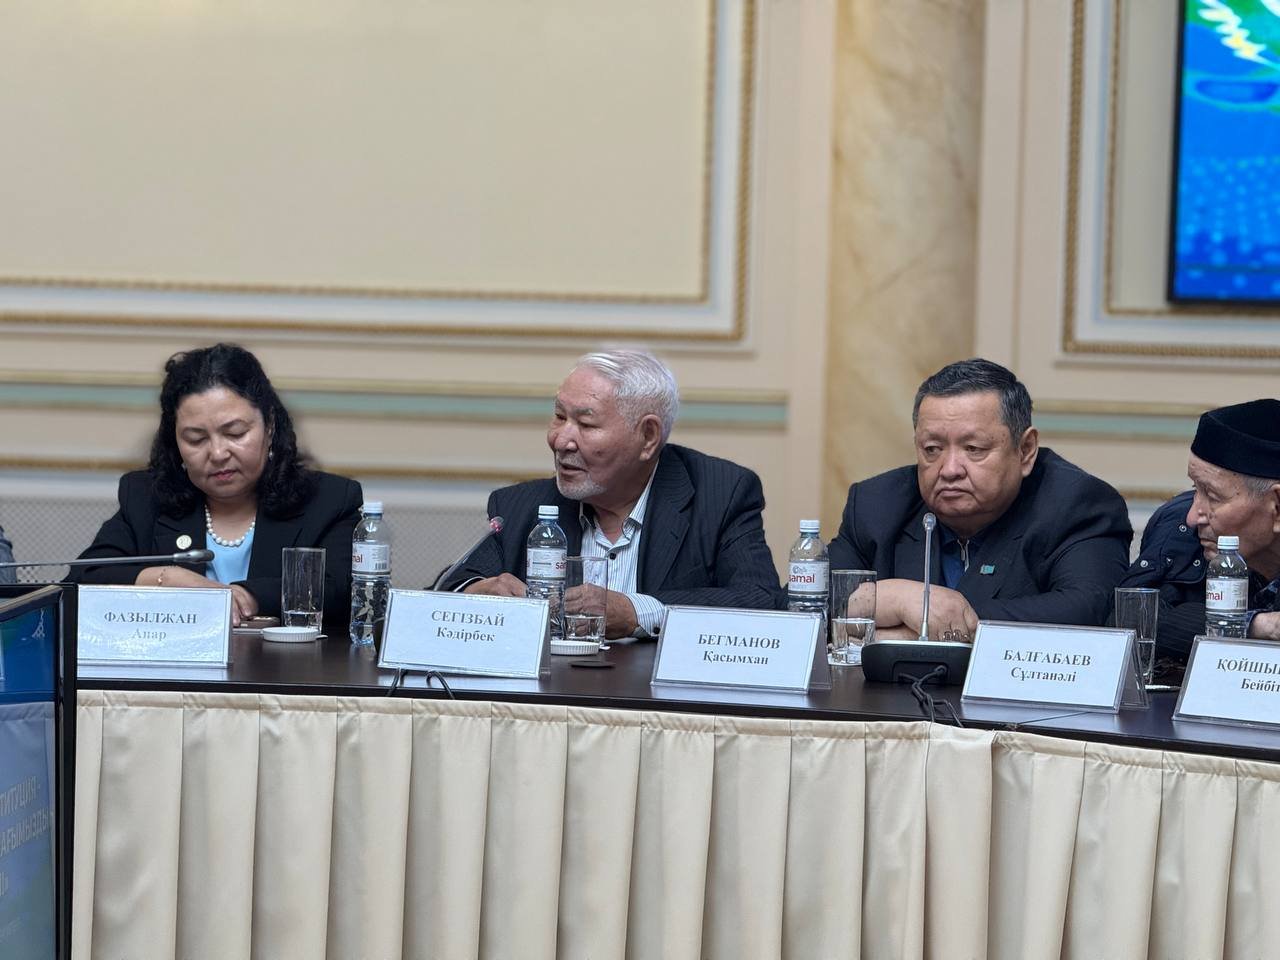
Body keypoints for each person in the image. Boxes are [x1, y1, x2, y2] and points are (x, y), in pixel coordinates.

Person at [439, 348, 784, 637]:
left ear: (648, 437)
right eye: (559, 416)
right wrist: (474, 592)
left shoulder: (721, 495)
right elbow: (444, 591)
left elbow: (761, 600)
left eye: (586, 424)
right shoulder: (518, 507)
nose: (560, 440)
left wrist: (636, 612)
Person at [828, 358, 1132, 640]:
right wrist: (895, 599)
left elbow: (1088, 612)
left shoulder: (1077, 505)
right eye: (932, 449)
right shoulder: (876, 505)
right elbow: (810, 605)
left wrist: (919, 632)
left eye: (973, 449)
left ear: (1025, 450)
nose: (949, 470)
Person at [70, 344, 363, 626]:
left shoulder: (329, 501)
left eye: (235, 433)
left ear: (270, 425)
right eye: (196, 439)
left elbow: (345, 591)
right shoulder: (145, 497)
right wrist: (165, 579)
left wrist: (247, 596)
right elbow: (81, 581)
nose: (218, 453)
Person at [1118, 398, 1280, 665]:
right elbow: (1129, 617)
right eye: (1196, 488)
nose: (1193, 517)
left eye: (1213, 496)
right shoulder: (1178, 525)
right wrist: (1255, 625)